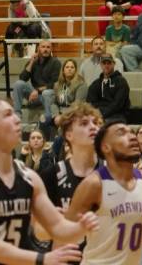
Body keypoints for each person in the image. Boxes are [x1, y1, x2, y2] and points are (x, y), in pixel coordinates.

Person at [0, 96, 99, 265]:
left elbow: (57, 227)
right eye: (7, 114)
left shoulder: (30, 178)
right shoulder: (52, 173)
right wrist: (42, 258)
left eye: (15, 113)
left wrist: (82, 226)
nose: (17, 119)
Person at [65, 119, 142, 264]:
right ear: (106, 147)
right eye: (121, 133)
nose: (132, 137)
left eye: (131, 132)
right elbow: (64, 236)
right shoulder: (93, 185)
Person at [36, 103, 102, 252]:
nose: (93, 127)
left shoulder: (112, 174)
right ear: (68, 135)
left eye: (96, 123)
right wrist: (60, 226)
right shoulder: (51, 175)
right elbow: (38, 232)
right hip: (66, 257)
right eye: (84, 123)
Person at [11, 40, 60, 127]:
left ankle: (47, 119)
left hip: (48, 95)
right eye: (43, 47)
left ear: (51, 49)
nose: (46, 49)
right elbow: (22, 78)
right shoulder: (33, 62)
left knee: (46, 92)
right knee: (18, 84)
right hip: (34, 95)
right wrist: (31, 62)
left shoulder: (55, 62)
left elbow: (53, 84)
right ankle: (17, 115)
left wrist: (37, 91)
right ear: (38, 49)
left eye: (48, 47)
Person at [86, 54, 130, 123]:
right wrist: (98, 114)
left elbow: (117, 105)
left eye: (109, 63)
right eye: (104, 63)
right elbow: (91, 103)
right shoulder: (95, 84)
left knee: (104, 126)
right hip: (98, 116)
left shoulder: (121, 82)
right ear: (100, 65)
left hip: (117, 116)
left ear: (114, 64)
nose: (106, 65)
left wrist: (102, 114)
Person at [50, 59, 88, 138]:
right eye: (67, 67)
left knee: (64, 124)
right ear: (63, 70)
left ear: (75, 70)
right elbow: (53, 103)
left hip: (74, 113)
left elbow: (77, 105)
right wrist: (56, 115)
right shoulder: (57, 85)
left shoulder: (81, 84)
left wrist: (63, 116)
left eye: (72, 67)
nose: (69, 69)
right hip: (59, 113)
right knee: (44, 121)